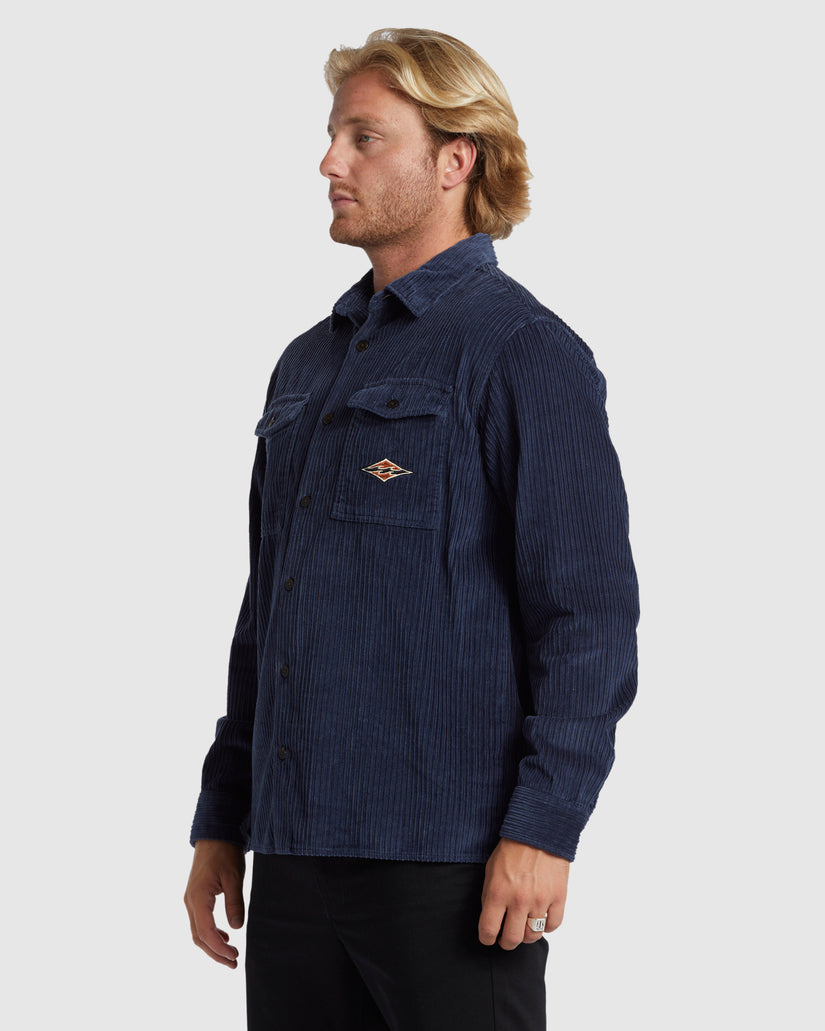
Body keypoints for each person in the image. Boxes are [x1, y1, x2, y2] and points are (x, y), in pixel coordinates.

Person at [184, 27, 639, 1031]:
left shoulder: (523, 351)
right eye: (331, 135)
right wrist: (225, 814)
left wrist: (545, 826)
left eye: (364, 137)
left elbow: (587, 616)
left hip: (451, 865)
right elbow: (270, 612)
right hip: (293, 854)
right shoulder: (306, 365)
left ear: (454, 160)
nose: (328, 162)